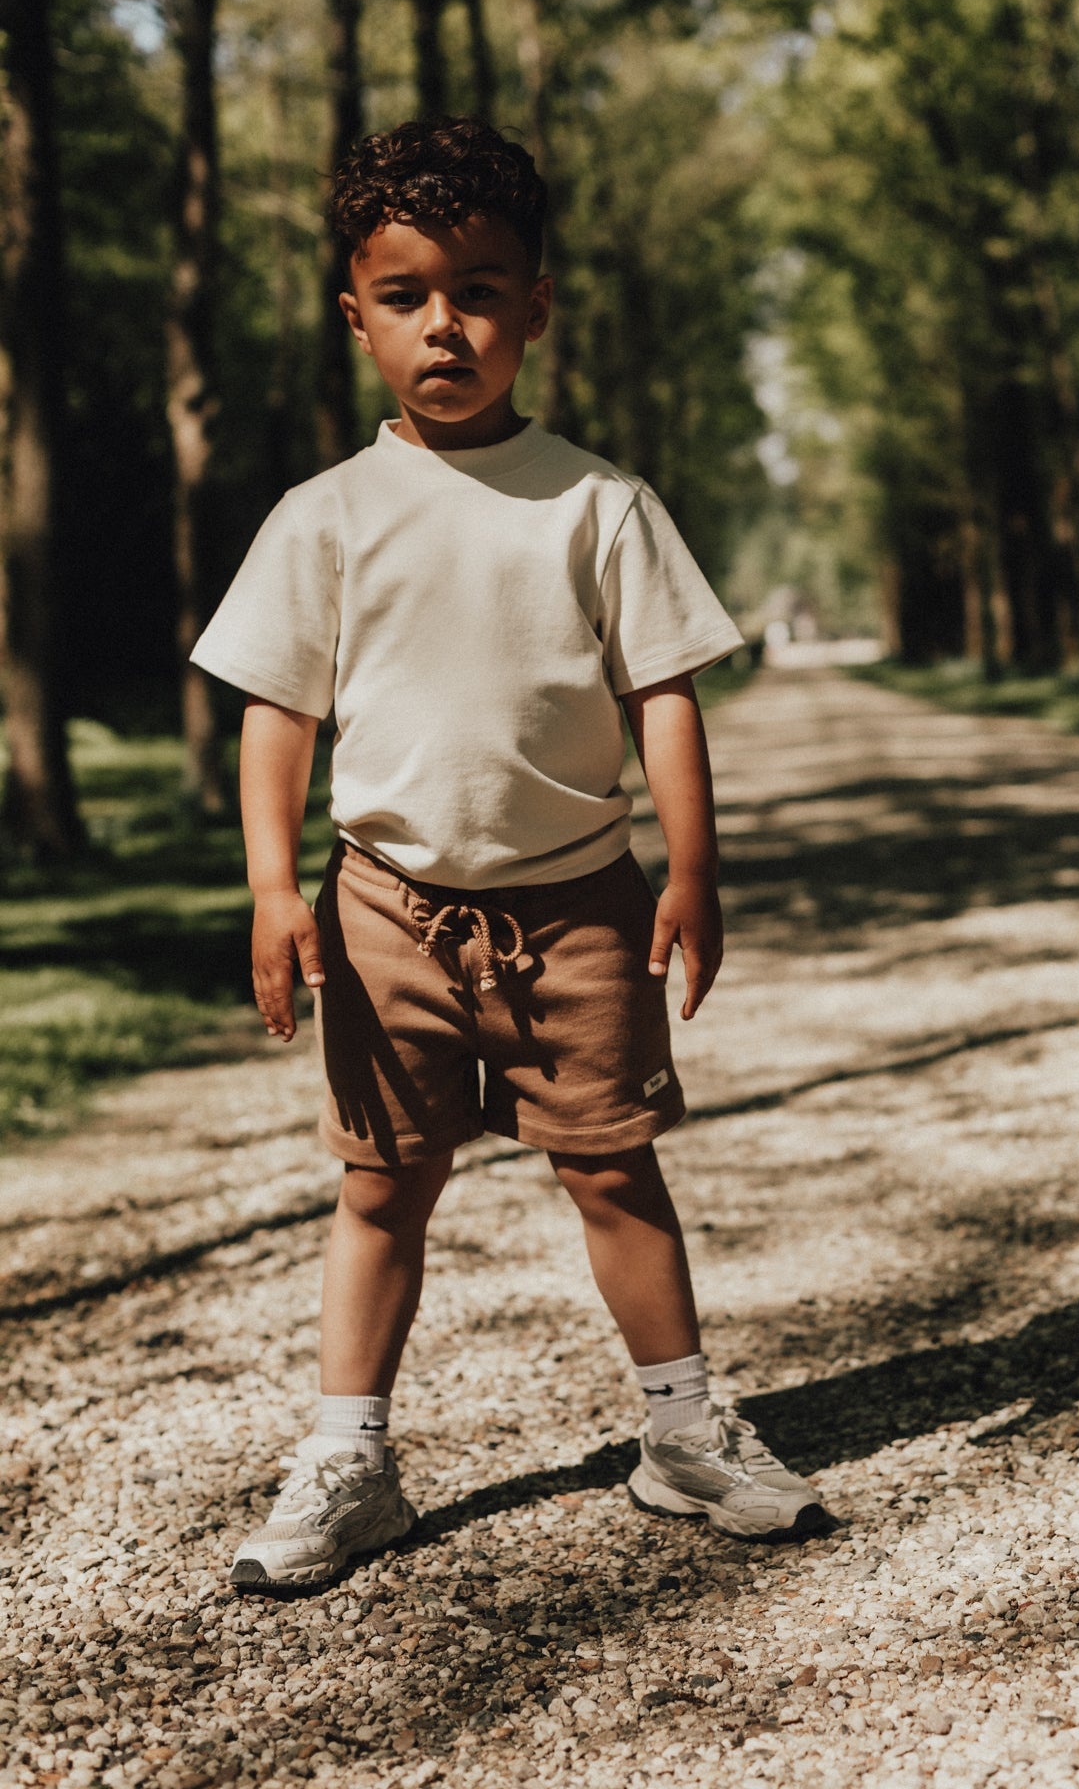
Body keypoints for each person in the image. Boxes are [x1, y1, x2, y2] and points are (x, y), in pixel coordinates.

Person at [192, 118, 829, 1591]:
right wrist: (275, 889)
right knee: (379, 1189)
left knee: (615, 1173)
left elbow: (661, 695)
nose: (446, 324)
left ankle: (681, 1433)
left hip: (582, 911)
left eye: (480, 289)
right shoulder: (325, 519)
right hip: (384, 914)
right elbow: (278, 717)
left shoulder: (601, 506)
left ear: (535, 304)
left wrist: (692, 868)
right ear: (357, 314)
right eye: (408, 294)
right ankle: (351, 1457)